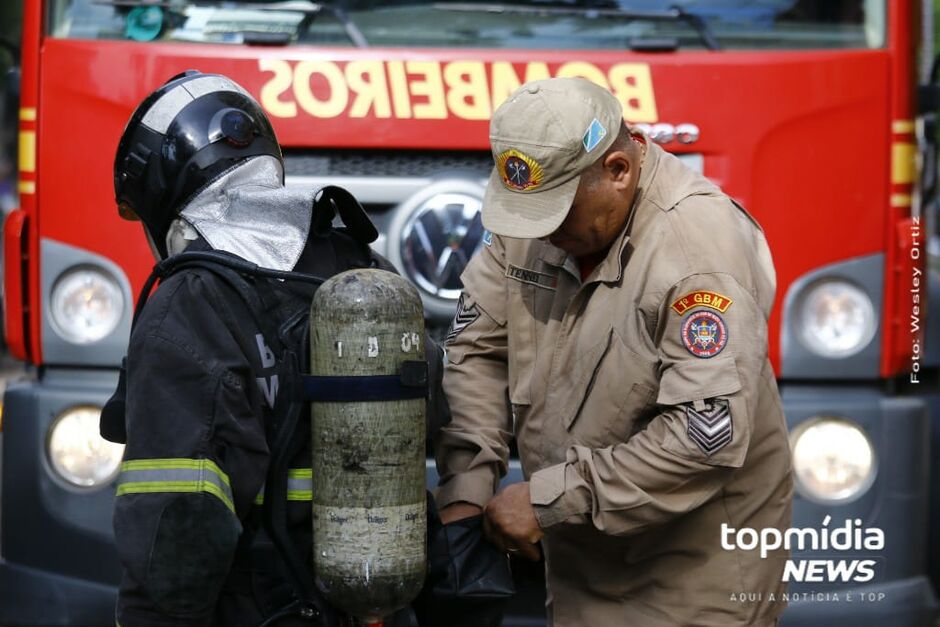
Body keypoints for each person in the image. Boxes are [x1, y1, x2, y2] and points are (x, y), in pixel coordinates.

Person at [434, 77, 793, 627]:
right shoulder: (538, 211)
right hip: (578, 557)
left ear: (618, 171)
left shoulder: (695, 252)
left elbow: (704, 436)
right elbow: (479, 348)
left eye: (558, 214)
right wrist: (465, 488)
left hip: (692, 575)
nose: (544, 234)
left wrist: (548, 499)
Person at [106, 71, 448, 627]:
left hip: (260, 607)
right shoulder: (360, 268)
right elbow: (432, 408)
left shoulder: (190, 302)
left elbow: (176, 528)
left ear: (162, 191)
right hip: (379, 599)